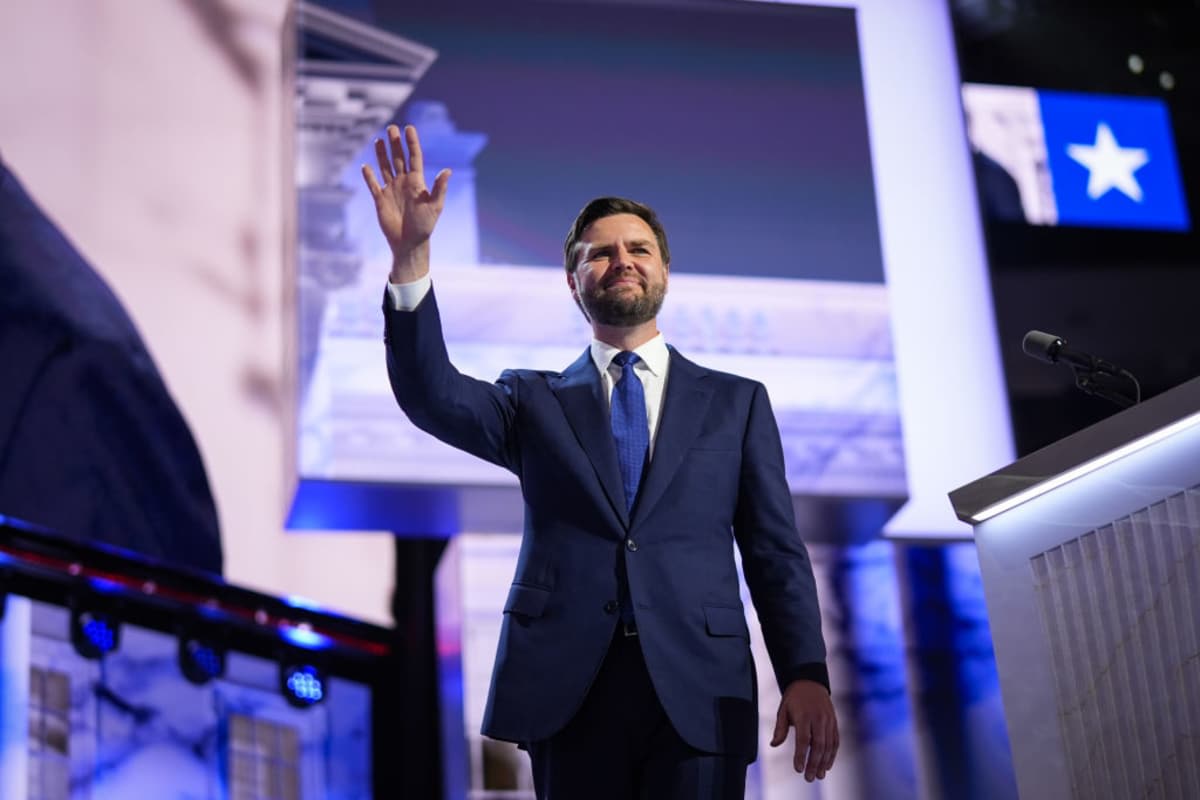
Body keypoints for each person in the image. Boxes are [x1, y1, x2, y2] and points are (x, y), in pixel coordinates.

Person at [363, 124, 837, 799]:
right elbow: (430, 394)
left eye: (639, 248)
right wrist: (411, 260)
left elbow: (775, 553)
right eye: (601, 253)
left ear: (665, 270)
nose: (623, 261)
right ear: (572, 281)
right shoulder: (531, 401)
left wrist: (805, 671)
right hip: (569, 691)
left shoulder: (737, 404)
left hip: (699, 688)